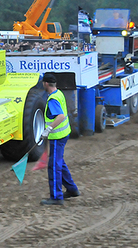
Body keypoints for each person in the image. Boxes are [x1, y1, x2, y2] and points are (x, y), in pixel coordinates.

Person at [40, 73, 80, 206]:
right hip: (64, 134)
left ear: (46, 83)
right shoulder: (59, 93)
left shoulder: (52, 99)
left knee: (54, 166)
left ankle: (56, 197)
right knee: (60, 163)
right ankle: (72, 189)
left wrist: (48, 129)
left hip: (57, 137)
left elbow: (60, 116)